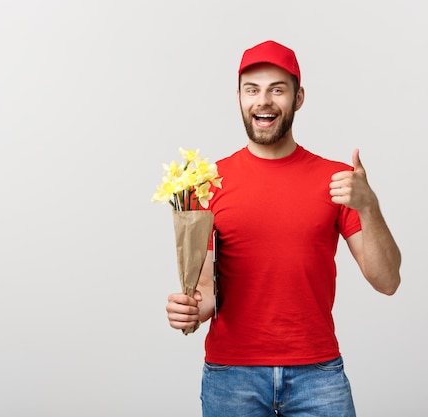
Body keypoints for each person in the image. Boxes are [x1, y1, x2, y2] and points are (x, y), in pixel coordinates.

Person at [165, 40, 401, 417]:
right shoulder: (207, 181)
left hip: (318, 375)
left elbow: (387, 281)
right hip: (232, 376)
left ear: (298, 97)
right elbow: (209, 289)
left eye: (277, 89)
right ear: (239, 98)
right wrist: (192, 310)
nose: (264, 101)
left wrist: (369, 206)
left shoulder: (337, 179)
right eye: (252, 90)